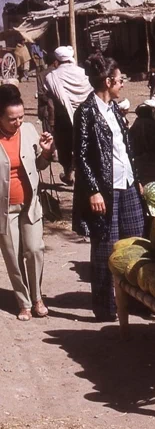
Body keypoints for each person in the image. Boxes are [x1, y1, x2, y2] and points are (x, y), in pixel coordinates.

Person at [73, 57, 145, 321]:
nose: (122, 83)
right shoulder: (86, 112)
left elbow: (125, 150)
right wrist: (93, 190)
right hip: (105, 189)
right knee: (106, 247)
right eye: (120, 79)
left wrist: (135, 177)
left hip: (126, 185)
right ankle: (106, 307)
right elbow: (80, 157)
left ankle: (138, 300)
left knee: (136, 241)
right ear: (108, 82)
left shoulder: (114, 109)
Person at [0, 85, 54, 321]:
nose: (18, 122)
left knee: (34, 250)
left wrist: (45, 153)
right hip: (4, 210)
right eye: (12, 119)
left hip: (30, 204)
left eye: (21, 117)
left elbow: (40, 166)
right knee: (13, 256)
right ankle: (23, 302)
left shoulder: (30, 130)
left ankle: (37, 297)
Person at [44, 46, 93, 185]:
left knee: (65, 148)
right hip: (85, 116)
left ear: (57, 60)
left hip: (64, 119)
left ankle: (69, 174)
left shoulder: (51, 77)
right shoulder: (84, 73)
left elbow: (51, 100)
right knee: (83, 146)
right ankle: (80, 176)